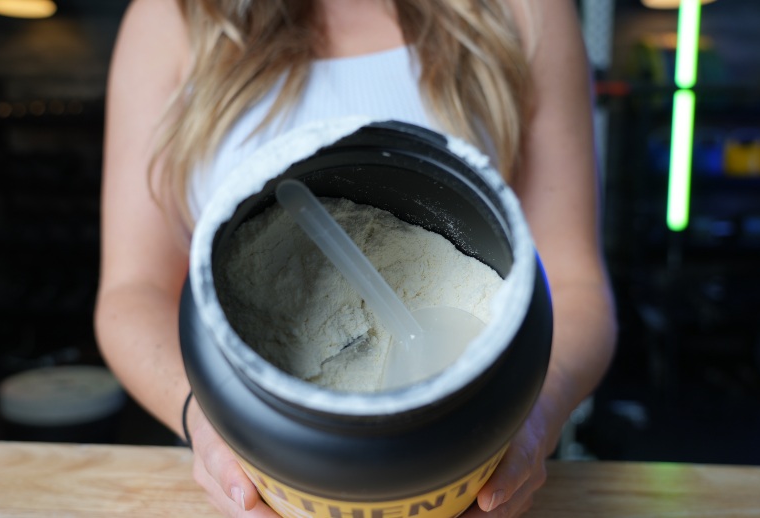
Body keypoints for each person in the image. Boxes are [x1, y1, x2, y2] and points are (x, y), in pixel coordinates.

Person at [95, 0, 617, 516]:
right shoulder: (180, 15)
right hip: (266, 459)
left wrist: (531, 420)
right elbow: (131, 293)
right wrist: (202, 419)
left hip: (465, 459)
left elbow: (574, 284)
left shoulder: (525, 10)